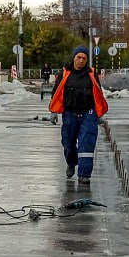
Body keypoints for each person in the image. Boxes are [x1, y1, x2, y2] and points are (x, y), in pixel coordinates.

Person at [48, 46, 108, 184]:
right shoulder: (65, 74)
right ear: (74, 58)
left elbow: (98, 94)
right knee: (68, 143)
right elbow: (56, 92)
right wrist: (53, 112)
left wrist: (99, 114)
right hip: (70, 114)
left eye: (84, 59)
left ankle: (84, 175)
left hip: (88, 114)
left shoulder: (91, 75)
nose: (81, 61)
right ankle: (71, 163)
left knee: (86, 143)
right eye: (79, 58)